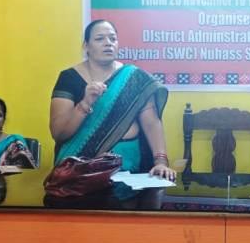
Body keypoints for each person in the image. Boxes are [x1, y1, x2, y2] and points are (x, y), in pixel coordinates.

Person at [49, 20, 176, 195]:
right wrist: (85, 103)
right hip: (81, 174)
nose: (108, 43)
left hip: (131, 169)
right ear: (86, 46)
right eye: (100, 38)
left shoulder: (134, 78)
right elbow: (59, 132)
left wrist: (160, 162)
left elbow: (151, 122)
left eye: (112, 38)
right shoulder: (69, 78)